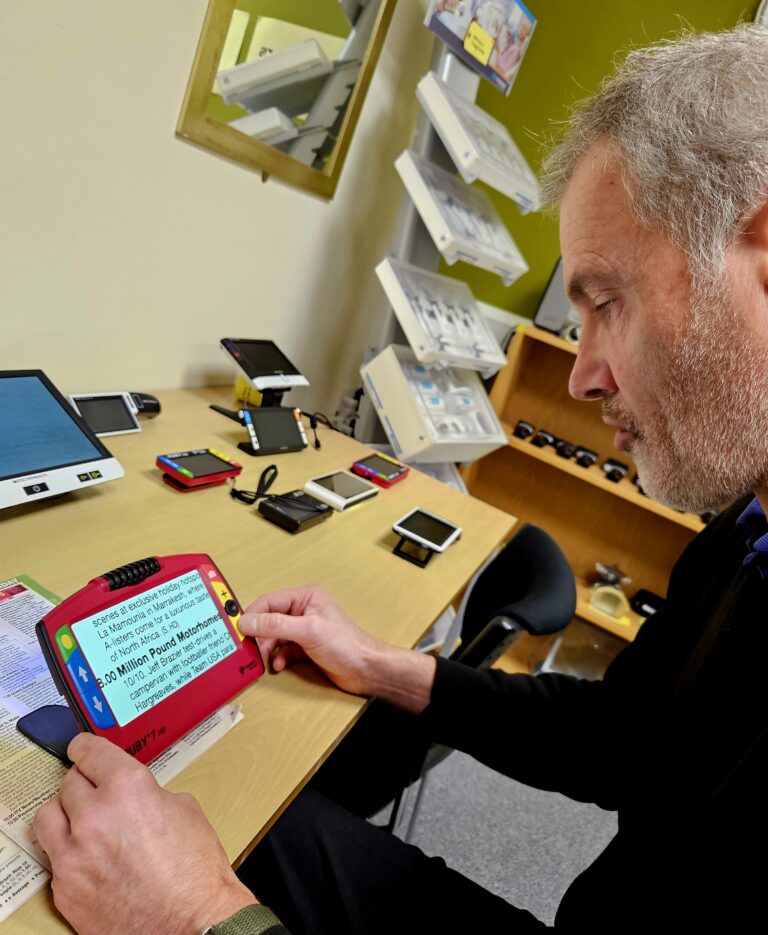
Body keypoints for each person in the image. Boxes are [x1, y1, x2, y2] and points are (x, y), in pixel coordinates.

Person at [34, 23, 768, 933]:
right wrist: (391, 669)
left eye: (606, 303)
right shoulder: (746, 529)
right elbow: (624, 737)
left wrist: (197, 916)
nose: (581, 374)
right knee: (242, 815)